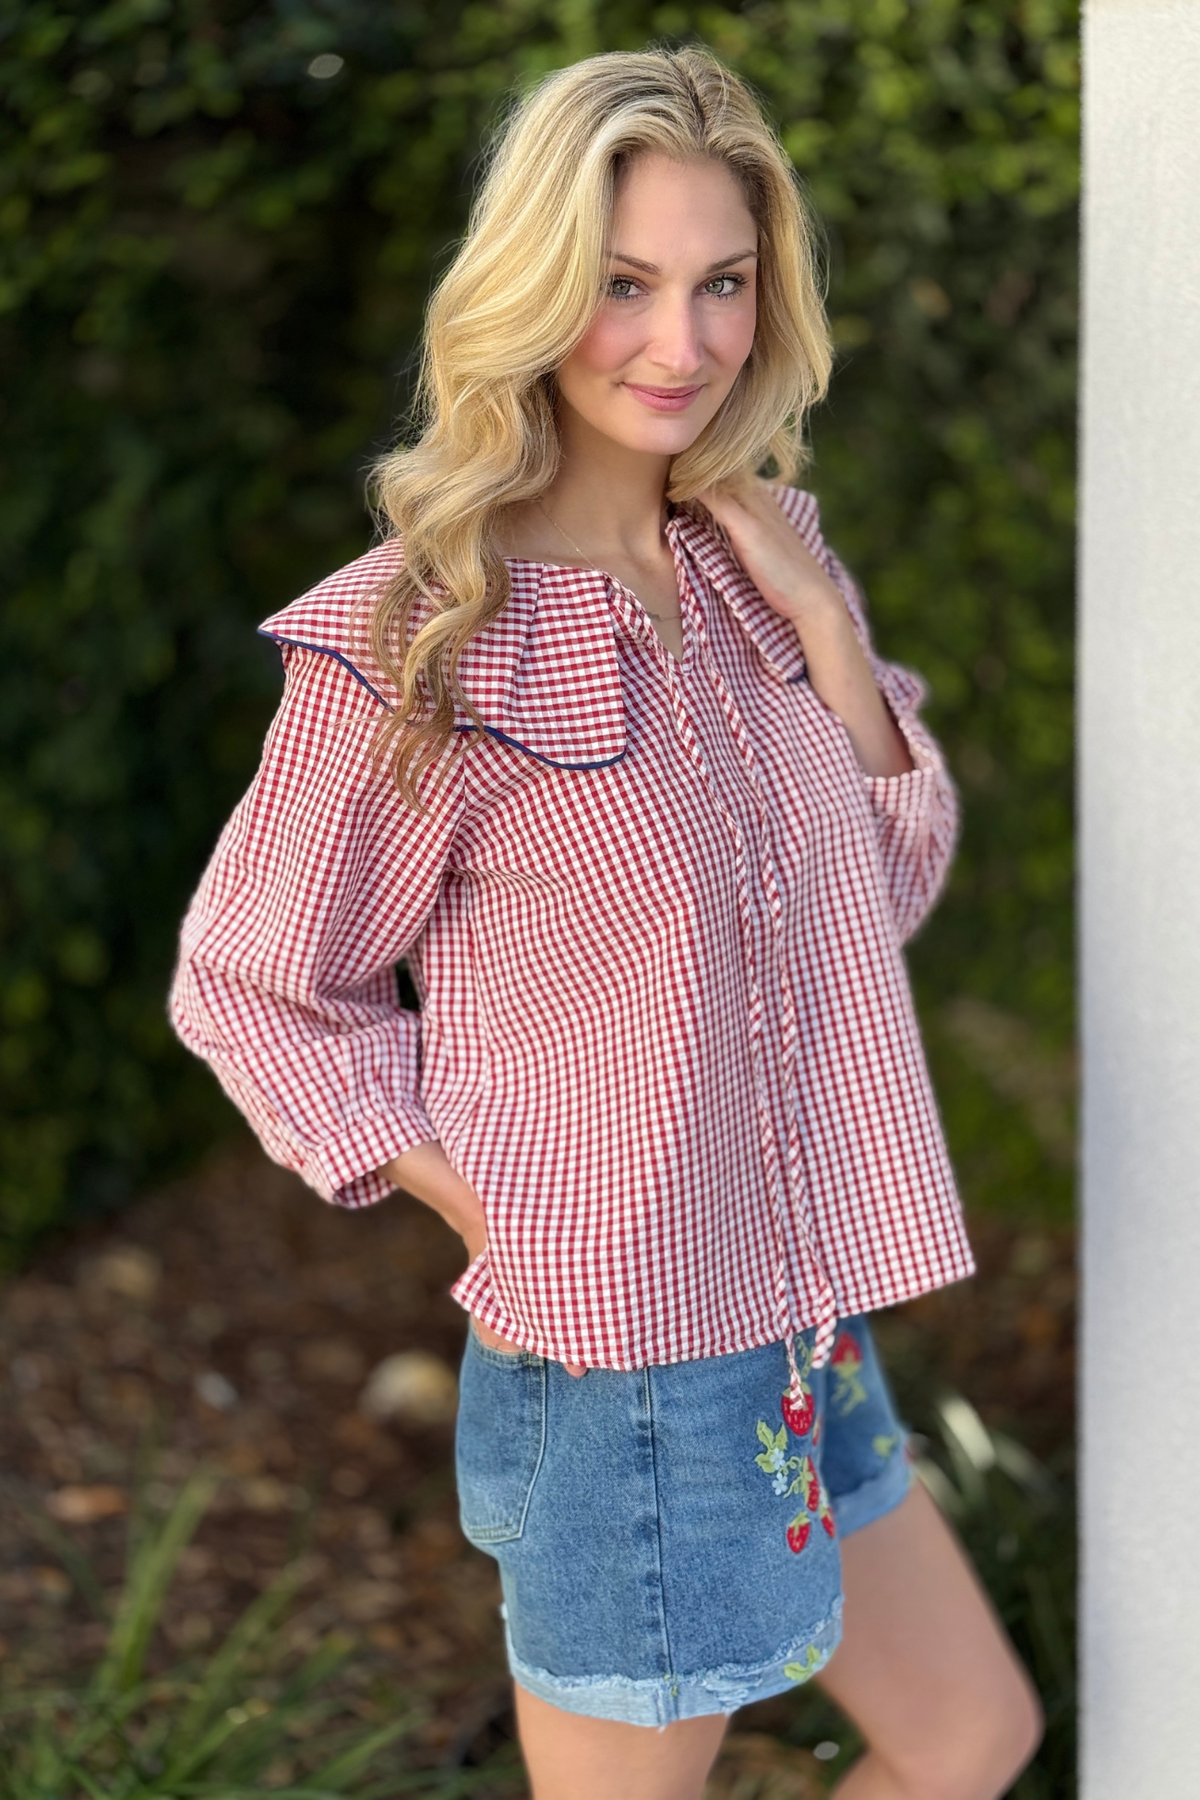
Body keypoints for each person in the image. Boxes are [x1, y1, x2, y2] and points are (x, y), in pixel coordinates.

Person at [170, 46, 1042, 1800]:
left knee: (967, 1739)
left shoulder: (763, 560)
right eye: (626, 284)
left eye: (724, 283)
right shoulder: (425, 635)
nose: (684, 342)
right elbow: (256, 986)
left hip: (805, 1311)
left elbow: (888, 891)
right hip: (632, 1362)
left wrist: (822, 633)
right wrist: (514, 1204)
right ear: (535, 292)